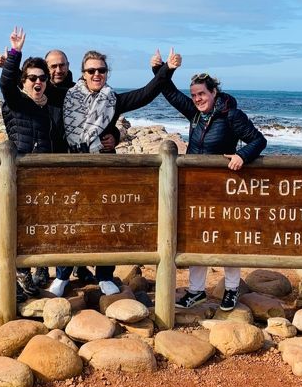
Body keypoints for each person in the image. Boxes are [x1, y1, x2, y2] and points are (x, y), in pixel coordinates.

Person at [48, 47, 181, 297]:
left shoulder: (113, 100)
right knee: (69, 220)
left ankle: (105, 275)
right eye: (91, 70)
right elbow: (30, 89)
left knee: (107, 220)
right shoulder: (66, 96)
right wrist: (11, 60)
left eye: (101, 70)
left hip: (104, 167)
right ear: (83, 74)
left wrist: (167, 69)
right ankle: (63, 275)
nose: (97, 74)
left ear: (107, 73)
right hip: (72, 165)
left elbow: (146, 93)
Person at [151, 51, 267, 311]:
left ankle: (232, 289)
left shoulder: (232, 115)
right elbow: (168, 92)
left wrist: (242, 155)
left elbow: (259, 140)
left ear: (213, 91)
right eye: (193, 95)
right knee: (196, 237)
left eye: (201, 94)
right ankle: (196, 291)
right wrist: (163, 69)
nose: (197, 99)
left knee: (227, 238)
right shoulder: (194, 113)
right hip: (195, 186)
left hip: (223, 188)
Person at [0, 26, 67, 301]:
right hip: (20, 174)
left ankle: (38, 269)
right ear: (24, 81)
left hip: (45, 174)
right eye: (32, 78)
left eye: (42, 78)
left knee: (41, 222)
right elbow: (5, 83)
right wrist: (15, 52)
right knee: (20, 224)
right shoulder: (16, 101)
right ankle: (21, 275)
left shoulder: (49, 104)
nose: (37, 82)